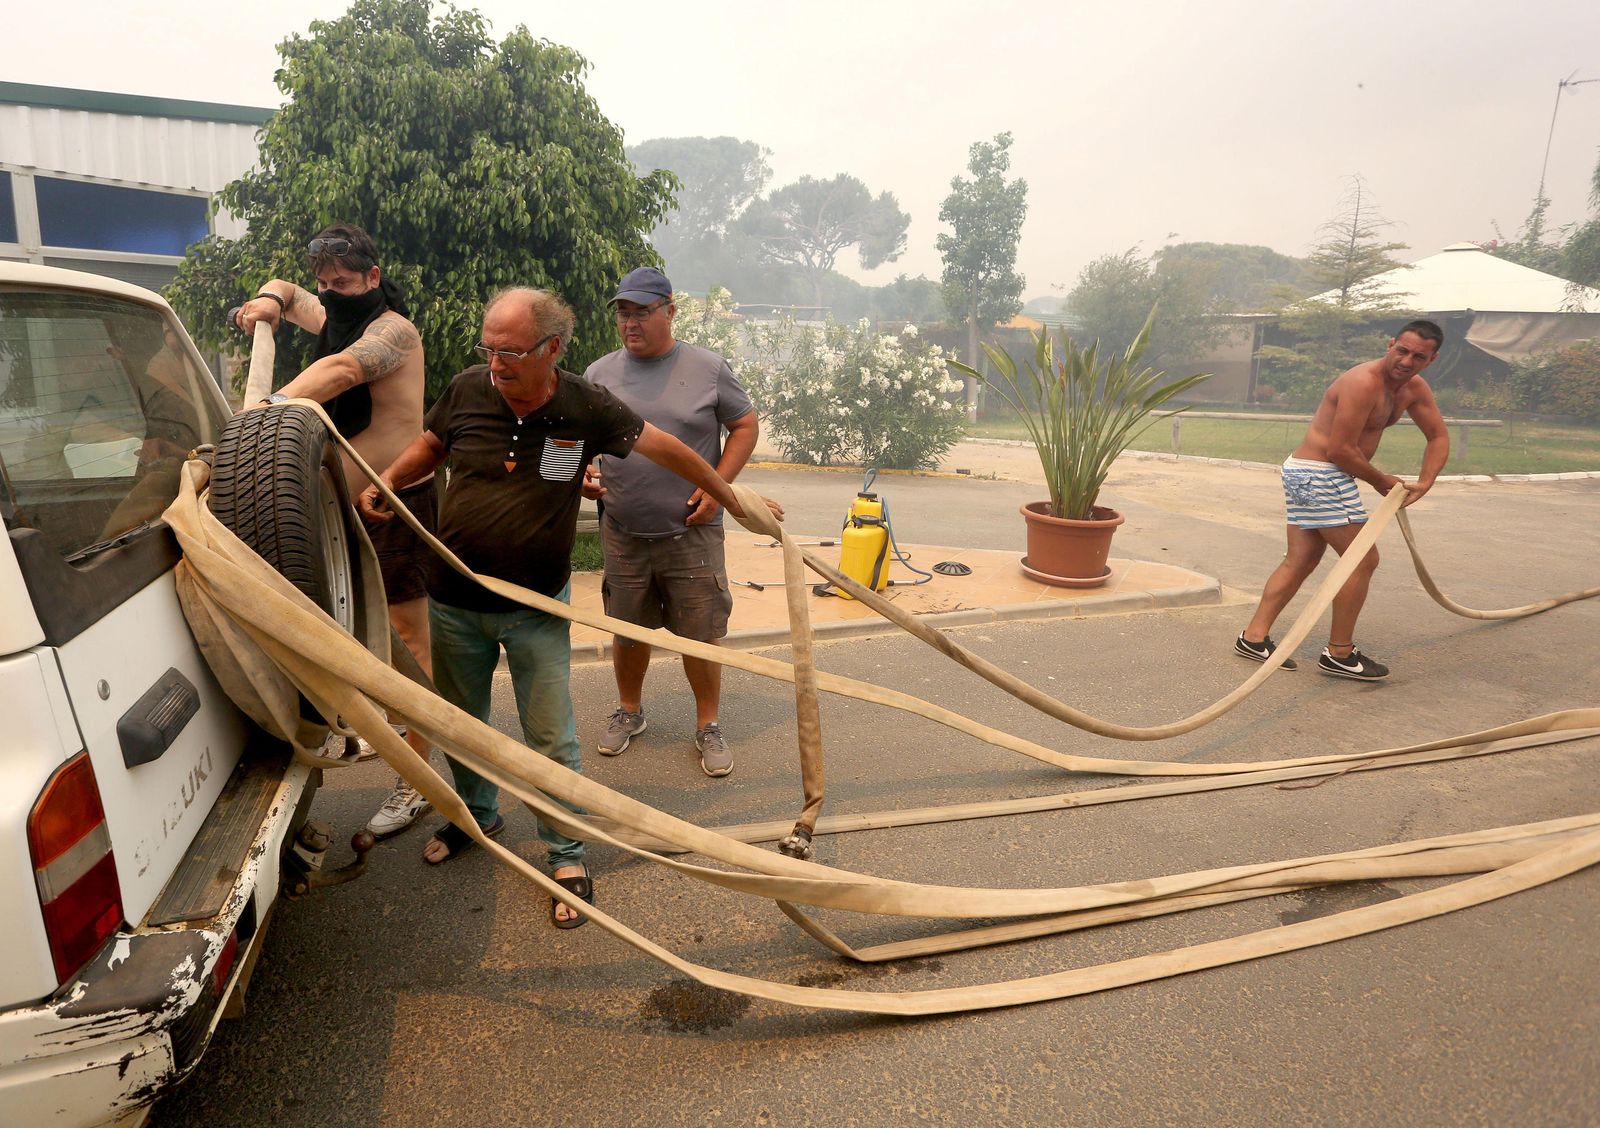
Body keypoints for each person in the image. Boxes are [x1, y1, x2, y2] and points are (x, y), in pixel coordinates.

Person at [358, 287, 781, 927]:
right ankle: (478, 817)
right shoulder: (469, 388)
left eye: (512, 352)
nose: (496, 364)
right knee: (464, 725)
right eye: (489, 349)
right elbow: (433, 443)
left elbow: (666, 447)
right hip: (454, 602)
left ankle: (566, 852)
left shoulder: (586, 404)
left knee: (550, 736)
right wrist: (389, 479)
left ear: (552, 348)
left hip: (534, 606)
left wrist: (729, 495)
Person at [234, 224, 439, 839]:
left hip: (395, 502)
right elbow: (290, 294)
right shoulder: (331, 309)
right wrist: (269, 301)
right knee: (348, 628)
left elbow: (344, 370)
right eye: (327, 283)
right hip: (336, 507)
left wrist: (266, 411)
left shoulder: (393, 331)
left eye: (344, 283)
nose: (333, 292)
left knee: (408, 640)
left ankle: (419, 784)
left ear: (372, 278)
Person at [582, 267, 759, 778]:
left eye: (641, 311)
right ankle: (630, 712)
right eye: (622, 312)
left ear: (670, 310)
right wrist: (585, 472)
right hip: (623, 530)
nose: (630, 323)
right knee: (627, 630)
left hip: (693, 528)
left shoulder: (707, 368)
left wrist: (717, 488)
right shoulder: (600, 374)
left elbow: (744, 425)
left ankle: (707, 725)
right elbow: (580, 440)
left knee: (700, 633)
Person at [1234, 320, 1450, 680]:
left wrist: (1426, 482)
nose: (1407, 361)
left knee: (1301, 559)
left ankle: (1253, 638)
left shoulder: (1414, 388)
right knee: (1362, 560)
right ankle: (1339, 654)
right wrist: (1383, 481)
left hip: (1313, 472)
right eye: (1402, 350)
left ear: (1431, 359)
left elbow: (1438, 436)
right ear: (1390, 343)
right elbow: (1340, 450)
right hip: (1319, 472)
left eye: (1418, 356)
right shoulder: (1362, 383)